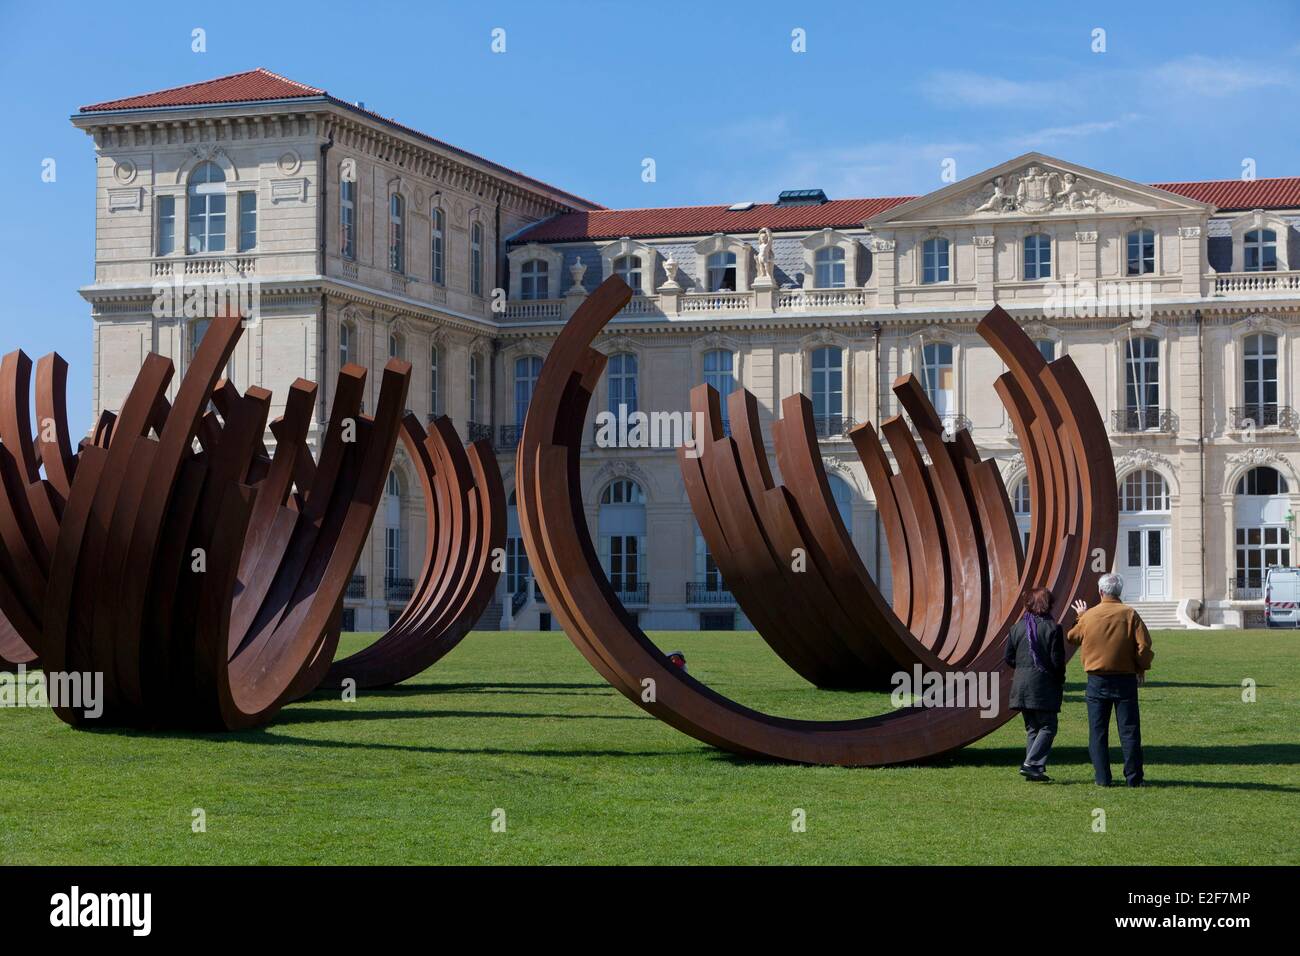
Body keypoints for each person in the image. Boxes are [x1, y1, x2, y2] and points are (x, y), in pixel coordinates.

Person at [1069, 573, 1154, 787]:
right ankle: (1134, 778)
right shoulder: (1129, 614)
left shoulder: (1089, 616)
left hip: (1096, 680)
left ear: (1100, 592)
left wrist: (1081, 617)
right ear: (1119, 592)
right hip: (1125, 679)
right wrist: (1141, 667)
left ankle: (1102, 778)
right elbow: (1143, 646)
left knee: (1098, 732)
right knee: (1129, 730)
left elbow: (1072, 637)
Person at [1004, 587, 1065, 782]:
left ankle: (1034, 769)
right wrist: (1059, 678)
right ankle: (1032, 764)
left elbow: (1008, 657)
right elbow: (1057, 662)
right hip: (1043, 685)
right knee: (1048, 726)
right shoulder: (1053, 628)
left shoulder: (1016, 628)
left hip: (1021, 685)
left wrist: (1023, 668)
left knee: (1032, 727)